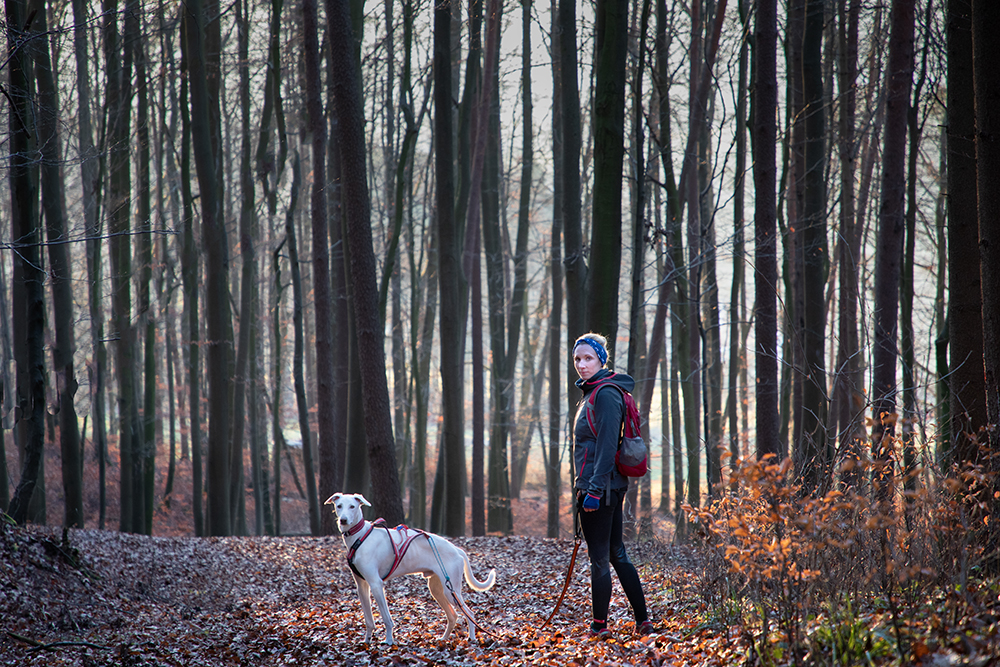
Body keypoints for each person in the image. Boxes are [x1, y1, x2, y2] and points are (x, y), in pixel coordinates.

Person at [572, 332, 653, 639]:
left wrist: (592, 490)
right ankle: (643, 621)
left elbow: (606, 446)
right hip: (609, 484)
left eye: (588, 358)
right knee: (617, 553)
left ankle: (599, 626)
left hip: (600, 487)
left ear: (602, 360)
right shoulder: (598, 391)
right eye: (578, 359)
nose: (582, 365)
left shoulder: (604, 395)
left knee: (600, 557)